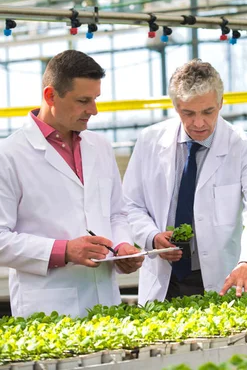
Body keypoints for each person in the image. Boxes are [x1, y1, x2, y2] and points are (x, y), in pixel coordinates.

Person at [0, 50, 143, 318]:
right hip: (47, 308)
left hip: (106, 298)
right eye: (83, 101)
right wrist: (64, 250)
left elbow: (116, 213)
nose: (94, 110)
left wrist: (123, 246)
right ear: (50, 96)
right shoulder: (8, 155)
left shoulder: (99, 146)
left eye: (95, 99)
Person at [123, 59, 247, 305]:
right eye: (188, 113)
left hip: (220, 277)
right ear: (175, 107)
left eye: (208, 112)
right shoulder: (149, 141)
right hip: (163, 278)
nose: (199, 123)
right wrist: (151, 236)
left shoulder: (244, 146)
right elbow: (129, 204)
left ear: (220, 103)